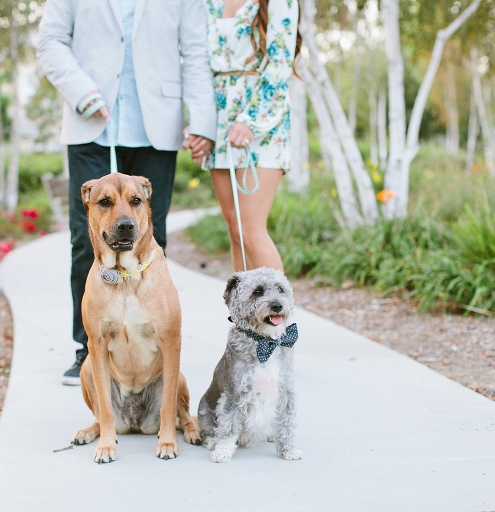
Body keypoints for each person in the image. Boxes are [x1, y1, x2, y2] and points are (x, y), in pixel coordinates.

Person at [37, 0, 217, 385]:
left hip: (157, 122)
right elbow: (50, 40)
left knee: (150, 241)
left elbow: (197, 51)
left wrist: (202, 120)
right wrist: (80, 90)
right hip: (89, 120)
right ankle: (88, 350)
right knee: (87, 243)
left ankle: (149, 350)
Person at [193, 0, 300, 272]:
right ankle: (245, 314)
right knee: (234, 228)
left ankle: (282, 313)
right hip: (220, 123)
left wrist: (249, 120)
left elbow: (279, 65)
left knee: (250, 229)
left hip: (263, 123)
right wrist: (200, 125)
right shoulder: (208, 3)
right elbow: (197, 65)